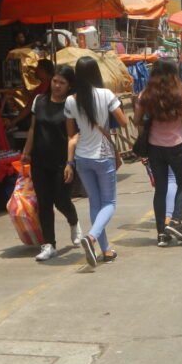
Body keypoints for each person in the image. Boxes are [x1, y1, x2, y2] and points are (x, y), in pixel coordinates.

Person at [65, 56, 129, 267]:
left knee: (95, 202)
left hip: (82, 157)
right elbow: (123, 120)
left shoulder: (70, 100)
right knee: (109, 203)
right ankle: (92, 237)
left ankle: (106, 250)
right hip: (103, 155)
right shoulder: (106, 95)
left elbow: (71, 134)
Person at [134, 59, 182, 247]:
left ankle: (161, 234)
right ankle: (176, 221)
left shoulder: (145, 95)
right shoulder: (181, 94)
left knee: (160, 190)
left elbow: (137, 120)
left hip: (155, 147)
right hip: (177, 147)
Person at [22, 64, 81, 262]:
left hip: (62, 161)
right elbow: (32, 129)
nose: (57, 85)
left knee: (61, 200)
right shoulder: (39, 101)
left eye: (62, 83)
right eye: (55, 81)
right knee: (44, 203)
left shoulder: (71, 105)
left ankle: (73, 221)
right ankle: (49, 245)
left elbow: (73, 135)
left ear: (69, 85)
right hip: (40, 161)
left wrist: (70, 162)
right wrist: (26, 152)